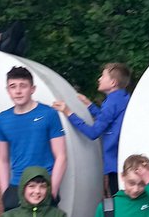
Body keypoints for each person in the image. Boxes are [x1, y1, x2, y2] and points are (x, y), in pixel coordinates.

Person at [0, 66, 67, 211]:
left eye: (23, 86)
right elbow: (2, 159)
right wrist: (5, 192)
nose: (18, 91)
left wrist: (52, 190)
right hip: (16, 186)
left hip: (42, 185)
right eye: (13, 86)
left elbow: (61, 156)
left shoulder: (49, 114)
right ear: (8, 90)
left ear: (32, 89)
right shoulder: (2, 119)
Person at [54, 62, 131, 197]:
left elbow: (93, 132)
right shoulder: (123, 98)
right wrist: (89, 105)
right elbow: (108, 118)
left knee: (118, 202)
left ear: (113, 82)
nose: (99, 79)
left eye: (103, 76)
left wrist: (68, 112)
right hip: (125, 161)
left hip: (115, 164)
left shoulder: (111, 103)